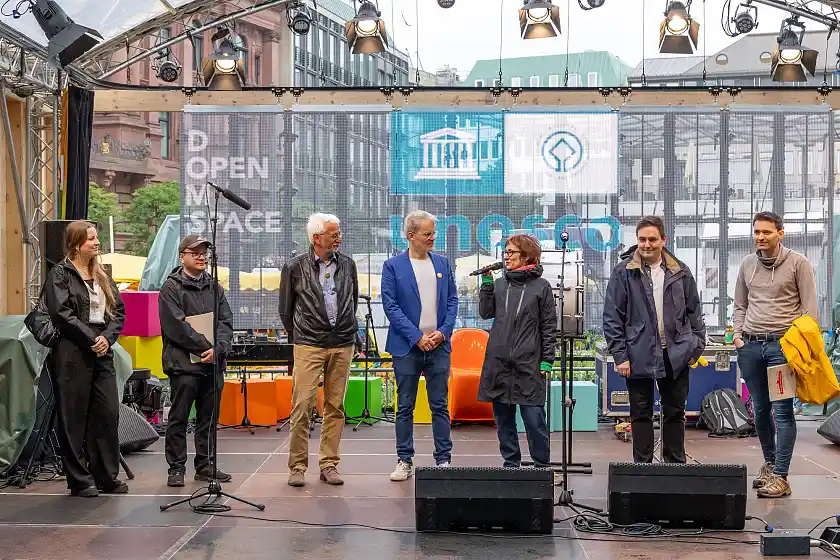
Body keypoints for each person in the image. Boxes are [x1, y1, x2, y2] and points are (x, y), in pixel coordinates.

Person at [602, 216, 706, 464]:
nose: (646, 244)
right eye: (642, 239)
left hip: (676, 355)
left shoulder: (680, 271)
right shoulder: (623, 272)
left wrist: (695, 347)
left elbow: (694, 311)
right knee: (640, 414)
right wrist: (620, 356)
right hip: (638, 354)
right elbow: (612, 317)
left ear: (663, 240)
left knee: (675, 413)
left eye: (652, 239)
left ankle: (675, 469)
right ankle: (642, 471)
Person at [733, 211, 817, 498]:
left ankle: (782, 476)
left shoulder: (798, 263)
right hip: (750, 346)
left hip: (782, 347)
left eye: (766, 232)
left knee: (782, 412)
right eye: (757, 231)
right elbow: (740, 304)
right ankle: (770, 465)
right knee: (759, 410)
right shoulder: (747, 264)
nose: (760, 237)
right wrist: (737, 336)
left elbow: (809, 313)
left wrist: (798, 348)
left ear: (780, 233)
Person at [44, 220, 127, 497]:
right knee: (74, 415)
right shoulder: (60, 273)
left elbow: (118, 312)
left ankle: (106, 476)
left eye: (96, 238)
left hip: (101, 349)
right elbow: (61, 314)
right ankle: (80, 480)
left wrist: (107, 338)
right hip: (73, 350)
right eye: (90, 238)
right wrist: (92, 338)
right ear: (76, 244)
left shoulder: (102, 275)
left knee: (107, 413)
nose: (96, 242)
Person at [279, 213, 359, 487]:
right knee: (302, 405)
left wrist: (347, 330)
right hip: (308, 344)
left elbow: (352, 301)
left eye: (339, 233)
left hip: (342, 343)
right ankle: (297, 466)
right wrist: (301, 336)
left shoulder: (348, 265)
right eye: (334, 234)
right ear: (316, 238)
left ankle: (329, 464)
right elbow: (286, 310)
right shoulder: (294, 267)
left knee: (335, 406)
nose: (339, 238)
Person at [381, 211, 458, 481]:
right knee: (405, 406)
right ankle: (404, 460)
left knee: (440, 405)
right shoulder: (393, 266)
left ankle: (443, 460)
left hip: (439, 346)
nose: (433, 238)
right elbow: (390, 305)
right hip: (407, 347)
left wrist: (443, 333)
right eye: (428, 233)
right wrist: (416, 336)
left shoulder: (443, 263)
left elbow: (452, 301)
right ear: (411, 235)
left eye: (433, 233)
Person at [158, 234, 234, 487]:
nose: (202, 257)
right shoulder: (171, 288)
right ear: (182, 257)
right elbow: (176, 327)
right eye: (196, 253)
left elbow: (225, 322)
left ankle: (205, 465)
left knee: (209, 419)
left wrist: (219, 349)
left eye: (204, 253)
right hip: (184, 365)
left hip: (212, 364)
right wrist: (206, 347)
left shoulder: (214, 287)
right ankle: (176, 468)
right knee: (179, 418)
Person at [477, 234, 556, 469]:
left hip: (529, 364)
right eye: (506, 251)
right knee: (503, 421)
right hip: (499, 363)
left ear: (527, 256)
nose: (506, 256)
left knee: (534, 420)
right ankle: (511, 466)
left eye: (511, 252)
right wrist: (487, 286)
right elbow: (486, 313)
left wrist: (547, 360)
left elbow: (548, 326)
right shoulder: (500, 284)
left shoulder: (541, 287)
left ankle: (542, 467)